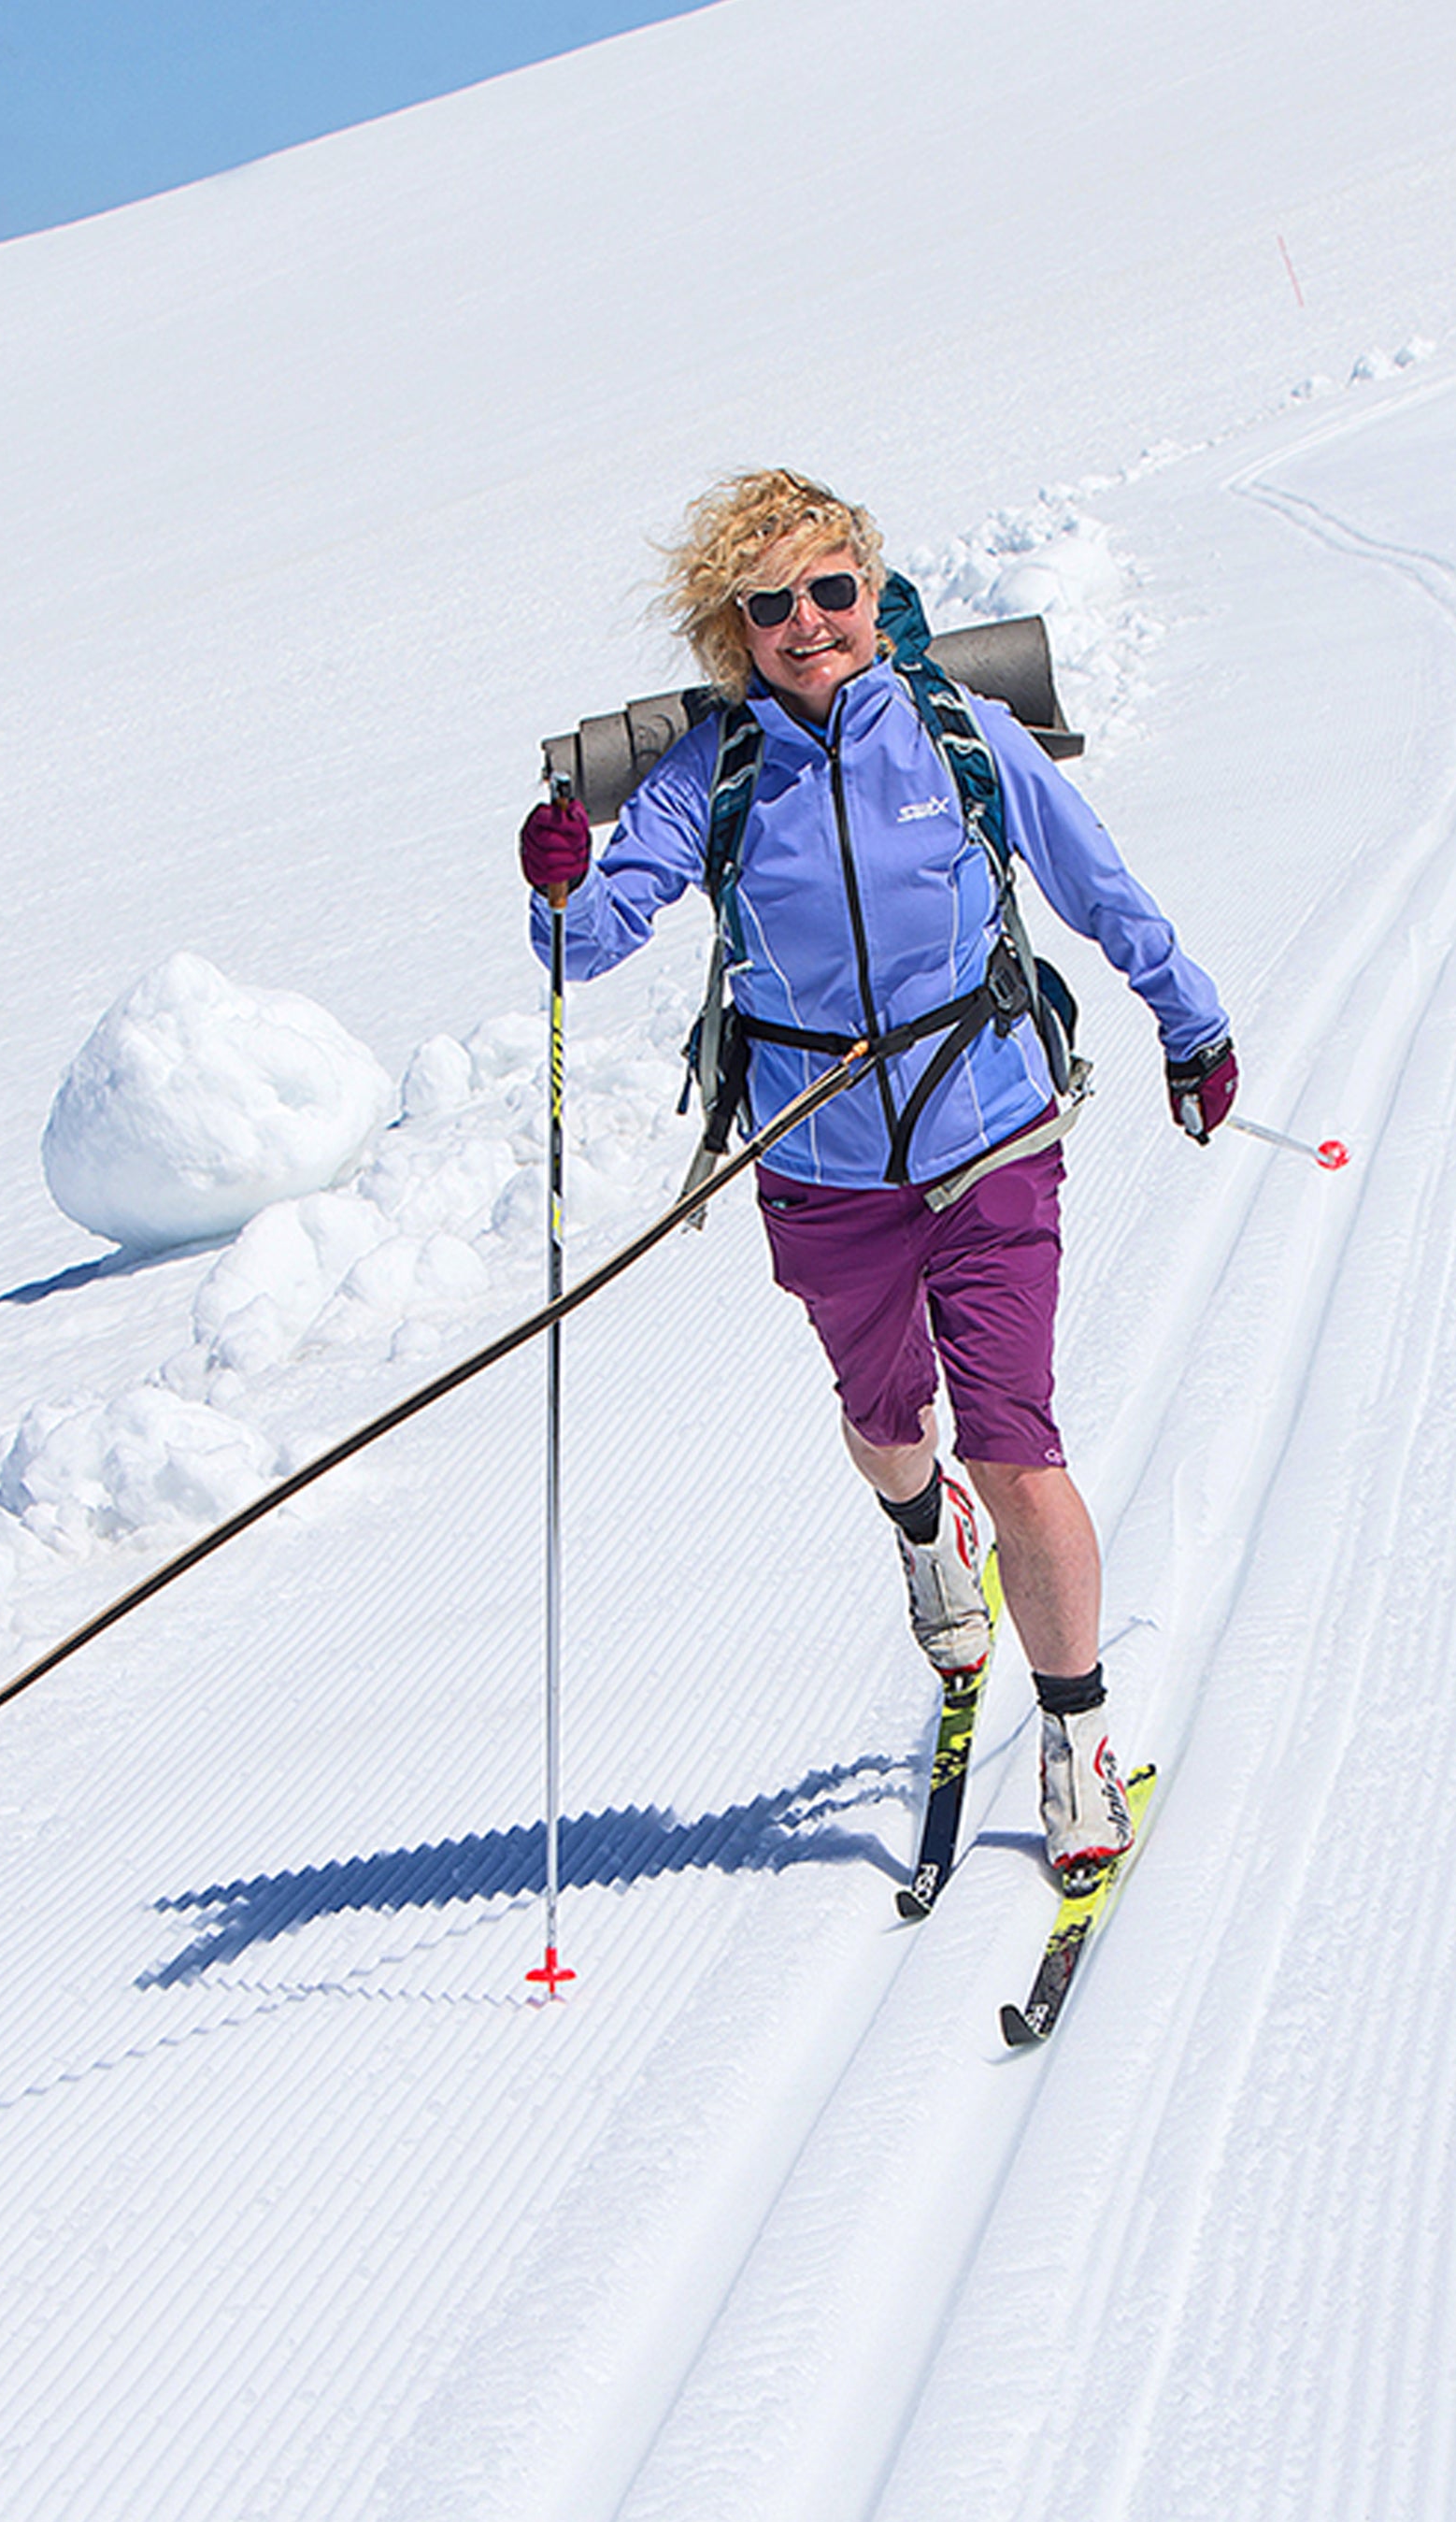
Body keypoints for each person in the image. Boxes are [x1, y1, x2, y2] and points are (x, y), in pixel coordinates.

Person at [520, 470, 1234, 1877]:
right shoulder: (714, 775)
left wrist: (1190, 1021)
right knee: (885, 1421)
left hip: (990, 1135)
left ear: (872, 583)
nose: (809, 622)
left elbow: (1095, 883)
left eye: (831, 588)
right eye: (770, 604)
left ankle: (1077, 1739)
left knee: (1015, 1443)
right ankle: (923, 1529)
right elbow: (586, 946)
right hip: (822, 1163)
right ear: (732, 629)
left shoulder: (958, 733)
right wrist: (558, 888)